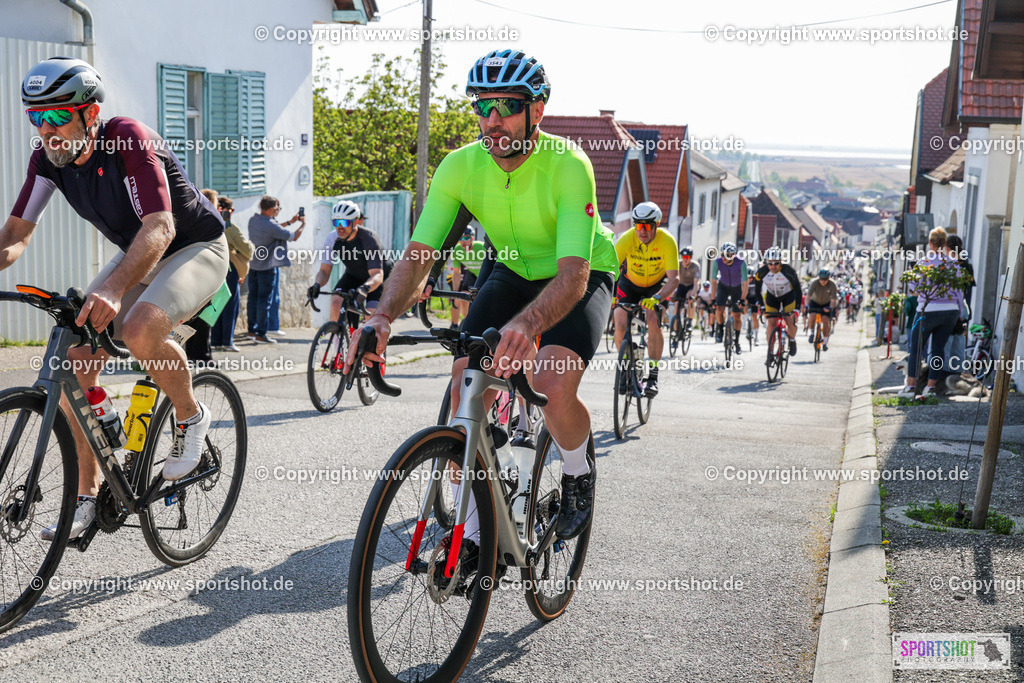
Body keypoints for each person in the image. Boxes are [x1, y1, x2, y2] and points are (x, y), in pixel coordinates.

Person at [346, 50, 618, 563]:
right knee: (465, 381)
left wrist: (527, 324)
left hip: (578, 271)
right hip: (512, 268)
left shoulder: (569, 165)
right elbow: (420, 254)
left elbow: (573, 275)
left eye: (507, 105)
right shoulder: (461, 166)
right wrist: (381, 316)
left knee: (550, 381)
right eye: (482, 105)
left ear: (536, 111)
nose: (491, 120)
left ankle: (579, 473)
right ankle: (473, 535)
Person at [3, 57, 228, 538]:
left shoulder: (128, 137)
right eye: (35, 119)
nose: (47, 131)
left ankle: (191, 416)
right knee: (74, 360)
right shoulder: (48, 160)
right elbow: (16, 235)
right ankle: (87, 495)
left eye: (56, 117)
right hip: (140, 253)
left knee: (139, 327)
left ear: (89, 112)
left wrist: (111, 287)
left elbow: (161, 226)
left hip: (194, 246)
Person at [612, 201, 679, 396]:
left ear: (656, 225)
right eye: (638, 225)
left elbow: (674, 279)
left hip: (657, 286)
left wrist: (657, 298)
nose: (642, 231)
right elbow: (611, 270)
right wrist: (609, 295)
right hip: (630, 283)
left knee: (653, 320)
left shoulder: (667, 241)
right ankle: (625, 367)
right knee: (620, 320)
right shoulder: (626, 239)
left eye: (647, 226)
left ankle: (653, 376)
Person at [898, 227, 963, 399]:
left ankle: (911, 387)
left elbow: (913, 287)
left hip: (927, 310)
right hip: (950, 312)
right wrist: (959, 313)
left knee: (916, 350)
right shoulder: (953, 264)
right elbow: (959, 292)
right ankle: (930, 388)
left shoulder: (924, 262)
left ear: (930, 243)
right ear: (944, 243)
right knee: (938, 349)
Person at [307, 199, 392, 329]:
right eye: (336, 222)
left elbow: (377, 275)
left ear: (355, 222)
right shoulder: (332, 238)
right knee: (336, 302)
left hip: (377, 279)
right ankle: (339, 346)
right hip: (354, 276)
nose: (340, 227)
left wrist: (365, 288)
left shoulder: (369, 239)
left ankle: (373, 347)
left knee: (371, 315)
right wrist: (317, 285)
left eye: (344, 222)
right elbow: (324, 271)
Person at [247, 195, 304, 343]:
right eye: (278, 208)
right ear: (272, 209)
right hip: (267, 267)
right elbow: (293, 237)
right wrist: (302, 224)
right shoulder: (271, 226)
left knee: (252, 299)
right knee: (264, 301)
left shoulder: (253, 220)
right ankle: (261, 333)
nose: (278, 211)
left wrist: (290, 221)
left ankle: (252, 331)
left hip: (253, 265)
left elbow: (274, 229)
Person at [211, 195, 253, 352]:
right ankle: (227, 341)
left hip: (215, 268)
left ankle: (216, 340)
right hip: (229, 269)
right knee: (230, 305)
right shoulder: (229, 227)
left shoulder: (212, 223)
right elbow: (248, 250)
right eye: (231, 210)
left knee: (217, 305)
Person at [753, 247, 802, 356]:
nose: (773, 266)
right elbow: (757, 290)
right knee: (771, 323)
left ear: (780, 262)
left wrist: (797, 308)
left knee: (789, 320)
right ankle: (770, 350)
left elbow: (798, 290)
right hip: (772, 297)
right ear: (766, 263)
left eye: (776, 263)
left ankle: (792, 340)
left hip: (788, 296)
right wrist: (761, 305)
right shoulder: (761, 272)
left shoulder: (788, 271)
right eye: (770, 264)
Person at [940, 234, 975, 377]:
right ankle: (956, 375)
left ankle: (942, 375)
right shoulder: (967, 265)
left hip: (948, 308)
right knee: (958, 343)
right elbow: (968, 292)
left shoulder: (946, 265)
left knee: (944, 343)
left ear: (947, 248)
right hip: (963, 309)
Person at [710, 242, 748, 354]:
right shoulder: (717, 262)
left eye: (727, 255)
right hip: (723, 287)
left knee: (737, 316)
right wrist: (713, 299)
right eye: (722, 254)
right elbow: (713, 282)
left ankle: (736, 342)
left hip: (737, 288)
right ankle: (720, 331)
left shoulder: (741, 263)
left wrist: (742, 299)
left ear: (733, 255)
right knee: (719, 309)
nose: (723, 258)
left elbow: (745, 283)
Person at [449, 226, 486, 328]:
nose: (463, 241)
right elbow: (456, 273)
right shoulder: (457, 250)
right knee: (463, 297)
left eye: (466, 238)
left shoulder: (482, 247)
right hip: (472, 273)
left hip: (485, 274)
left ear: (472, 239)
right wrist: (455, 293)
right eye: (460, 238)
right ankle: (467, 324)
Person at [803, 269, 838, 351]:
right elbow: (808, 296)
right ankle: (811, 332)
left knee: (826, 320)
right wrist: (806, 305)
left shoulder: (832, 284)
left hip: (826, 303)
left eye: (825, 279)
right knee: (812, 316)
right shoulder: (814, 283)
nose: (823, 281)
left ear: (828, 278)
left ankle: (825, 342)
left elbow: (833, 300)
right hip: (815, 302)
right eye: (821, 279)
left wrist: (830, 307)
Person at [672, 245, 702, 331]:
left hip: (692, 286)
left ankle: (689, 321)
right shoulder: (678, 264)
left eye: (687, 257)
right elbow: (673, 278)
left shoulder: (695, 266)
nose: (685, 259)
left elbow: (696, 283)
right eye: (683, 257)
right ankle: (675, 332)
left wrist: (693, 295)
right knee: (677, 305)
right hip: (681, 285)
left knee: (690, 298)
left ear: (691, 257)